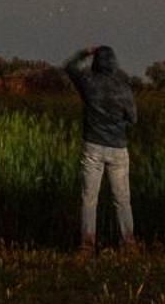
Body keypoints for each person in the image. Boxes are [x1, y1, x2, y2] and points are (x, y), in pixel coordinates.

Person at [64, 43, 137, 253]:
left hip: (93, 146)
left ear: (96, 62)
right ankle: (129, 243)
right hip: (118, 149)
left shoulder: (88, 83)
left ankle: (87, 246)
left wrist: (83, 53)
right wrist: (118, 127)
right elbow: (133, 119)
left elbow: (69, 67)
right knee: (122, 200)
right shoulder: (124, 87)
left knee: (89, 199)